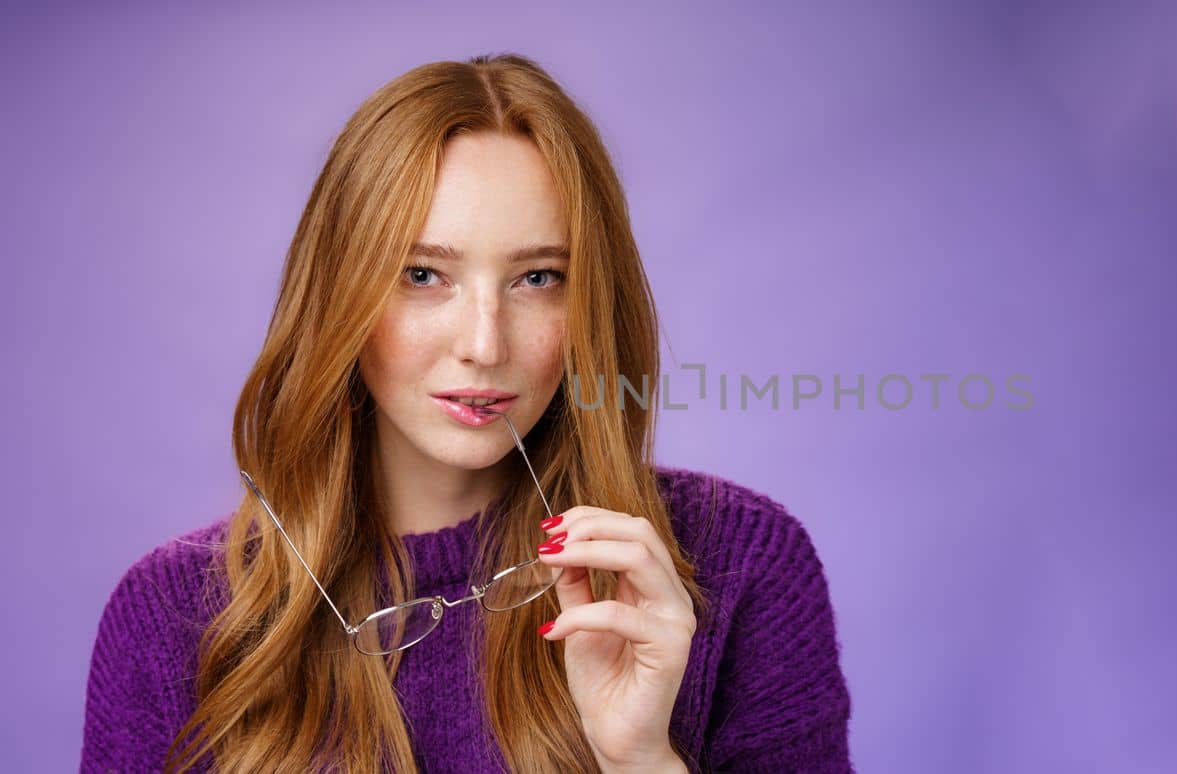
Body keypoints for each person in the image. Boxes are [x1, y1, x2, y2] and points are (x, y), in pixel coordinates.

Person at [78, 53, 853, 773]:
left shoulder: (735, 566)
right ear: (338, 294)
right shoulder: (174, 618)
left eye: (538, 278)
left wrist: (643, 760)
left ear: (591, 300)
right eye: (423, 274)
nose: (484, 344)